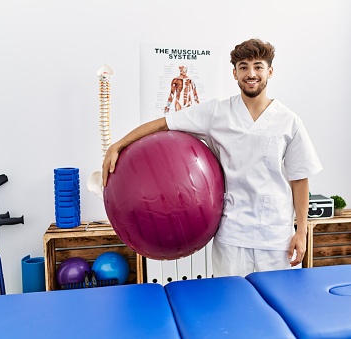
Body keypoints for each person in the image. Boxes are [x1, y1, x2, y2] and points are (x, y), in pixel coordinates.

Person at [103, 38, 322, 277]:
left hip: (276, 237)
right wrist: (118, 144)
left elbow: (300, 179)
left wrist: (301, 231)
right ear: (234, 73)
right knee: (232, 308)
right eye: (243, 67)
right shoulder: (217, 113)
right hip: (232, 236)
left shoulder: (289, 121)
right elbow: (164, 124)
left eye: (258, 66)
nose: (251, 73)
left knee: (279, 306)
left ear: (270, 71)